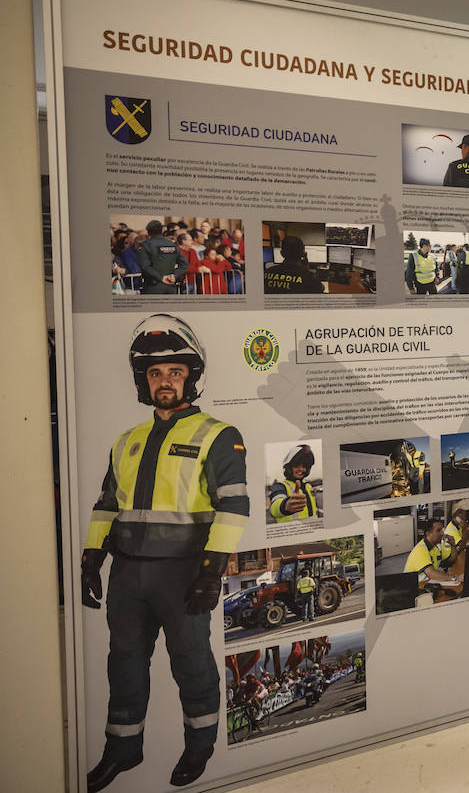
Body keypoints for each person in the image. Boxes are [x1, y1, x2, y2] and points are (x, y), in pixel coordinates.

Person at [80, 314, 248, 790]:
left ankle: (200, 746)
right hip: (127, 577)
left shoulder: (217, 434)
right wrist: (91, 558)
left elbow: (234, 508)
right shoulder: (126, 440)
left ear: (191, 377)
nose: (165, 381)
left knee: (191, 662)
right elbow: (106, 504)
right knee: (124, 663)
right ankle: (122, 749)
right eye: (156, 373)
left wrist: (212, 571)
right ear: (144, 380)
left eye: (175, 372)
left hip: (183, 575)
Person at [269, 444, 320, 523]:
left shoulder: (308, 486)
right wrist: (285, 505)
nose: (301, 469)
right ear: (288, 467)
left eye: (304, 466)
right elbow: (274, 508)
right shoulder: (280, 486)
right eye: (296, 465)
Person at [137, 219, 188, 294]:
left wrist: (160, 278)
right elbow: (184, 264)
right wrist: (174, 275)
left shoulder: (146, 245)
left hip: (153, 287)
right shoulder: (171, 244)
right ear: (161, 231)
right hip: (170, 286)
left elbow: (145, 266)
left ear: (148, 232)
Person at [403, 518, 451, 587]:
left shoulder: (436, 546)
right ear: (428, 534)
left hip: (428, 582)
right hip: (414, 587)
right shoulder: (420, 550)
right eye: (438, 530)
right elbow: (431, 573)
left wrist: (452, 545)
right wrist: (455, 577)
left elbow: (451, 559)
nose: (442, 533)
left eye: (442, 529)